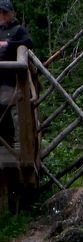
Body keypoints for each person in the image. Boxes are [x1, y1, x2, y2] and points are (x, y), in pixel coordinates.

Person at [0, 0, 32, 147]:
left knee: (12, 110)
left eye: (5, 12)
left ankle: (18, 144)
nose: (2, 15)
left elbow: (29, 42)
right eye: (0, 12)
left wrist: (8, 44)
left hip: (12, 79)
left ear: (12, 13)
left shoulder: (18, 29)